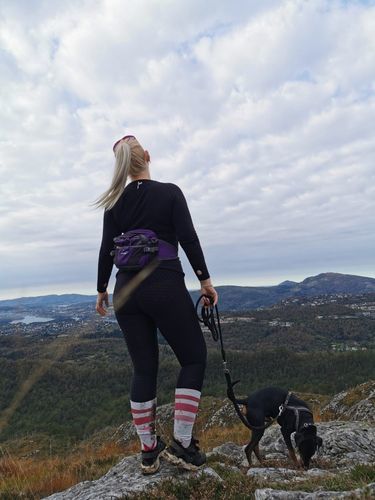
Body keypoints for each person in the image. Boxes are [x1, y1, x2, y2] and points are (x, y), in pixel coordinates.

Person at [95, 135, 218, 474]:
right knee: (193, 357)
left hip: (125, 291)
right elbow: (189, 239)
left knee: (144, 369)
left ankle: (149, 450)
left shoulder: (114, 203)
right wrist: (205, 282)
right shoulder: (169, 193)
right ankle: (182, 443)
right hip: (163, 282)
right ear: (147, 156)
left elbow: (107, 247)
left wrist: (101, 290)